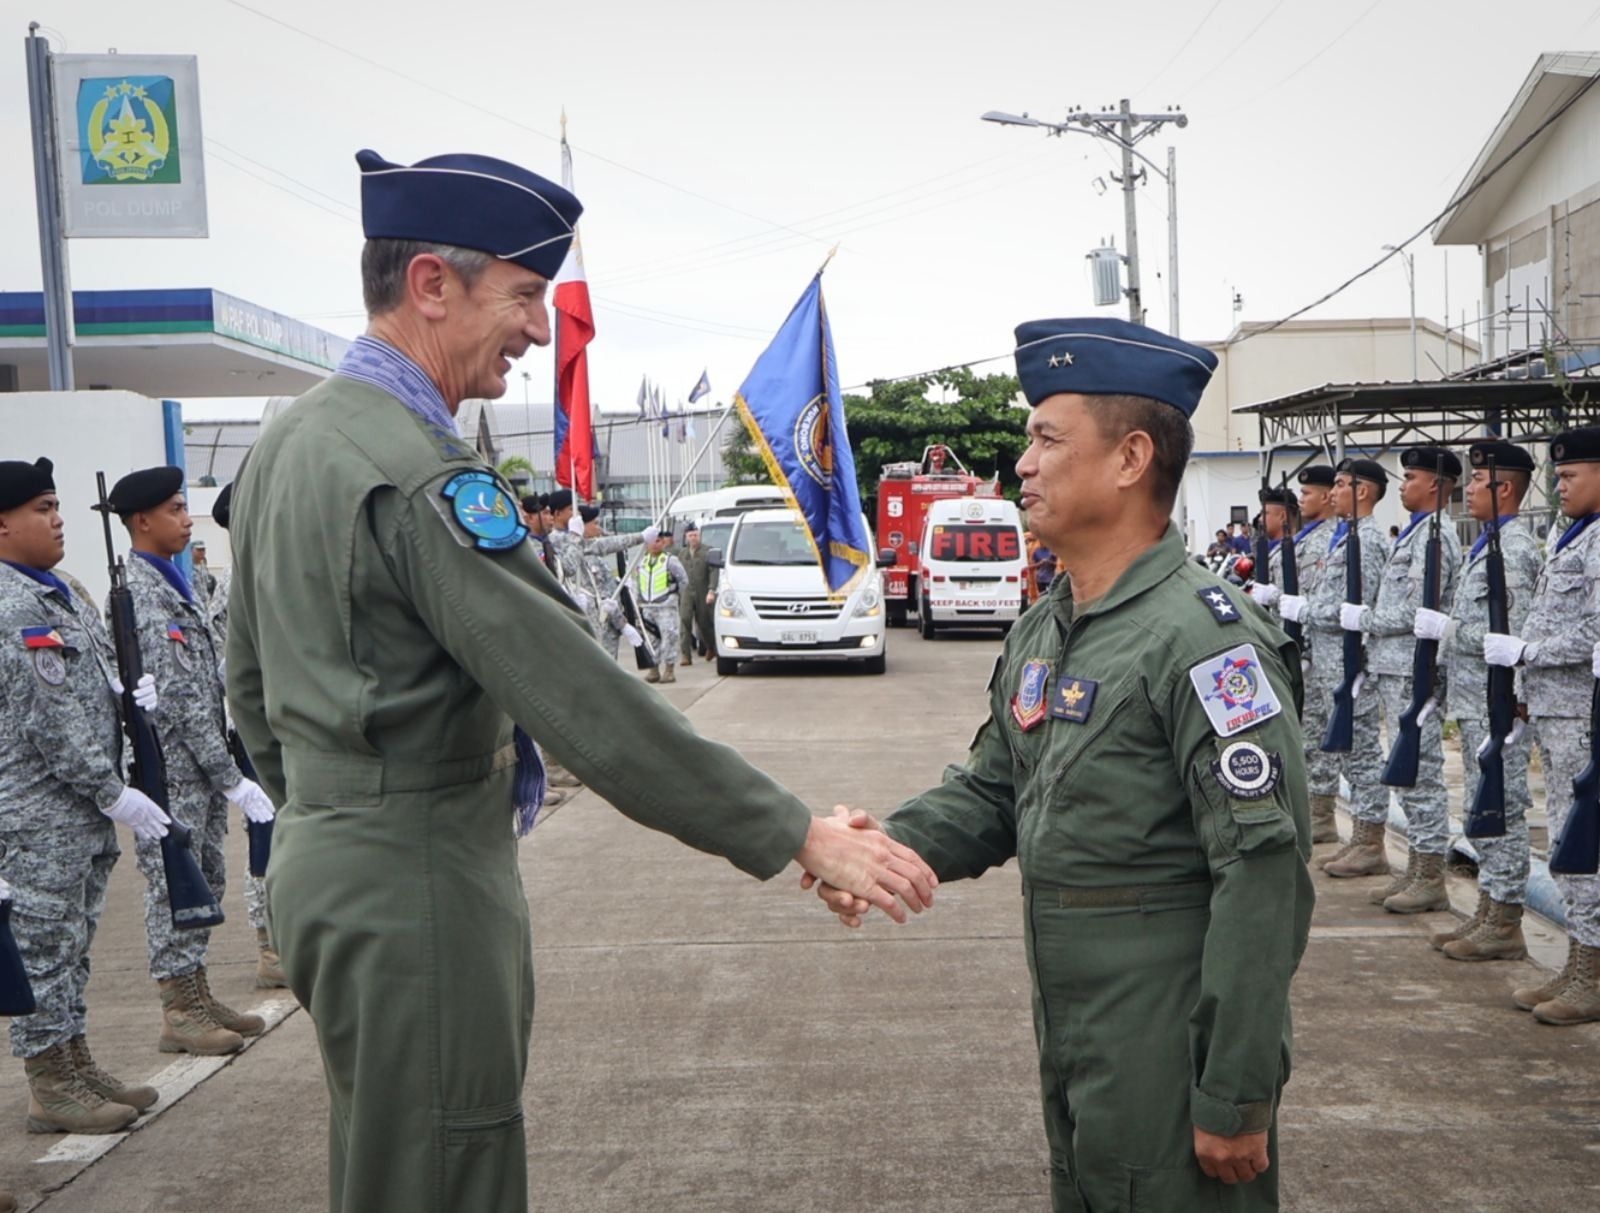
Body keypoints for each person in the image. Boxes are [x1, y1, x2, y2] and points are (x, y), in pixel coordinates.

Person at [224, 147, 936, 1213]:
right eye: (521, 295)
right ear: (431, 284)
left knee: (386, 1163)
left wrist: (340, 810)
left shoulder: (291, 444)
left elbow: (249, 684)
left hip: (331, 865)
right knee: (446, 1172)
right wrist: (799, 831)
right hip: (418, 881)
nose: (537, 326)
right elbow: (582, 699)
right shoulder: (422, 472)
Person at [810, 317, 1313, 1210]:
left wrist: (1236, 1085)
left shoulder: (1205, 641)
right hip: (1072, 1022)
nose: (1024, 464)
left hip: (1166, 1030)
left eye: (1046, 438)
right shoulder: (1049, 626)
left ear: (1129, 458)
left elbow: (1262, 870)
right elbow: (997, 787)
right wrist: (884, 848)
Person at [0, 458, 164, 1134]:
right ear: (3, 523)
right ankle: (49, 1082)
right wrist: (113, 790)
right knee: (43, 947)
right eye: (42, 507)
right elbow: (50, 721)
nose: (58, 517)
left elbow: (94, 685)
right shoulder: (14, 606)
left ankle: (73, 1058)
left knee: (73, 945)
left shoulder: (60, 590)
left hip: (76, 813)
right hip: (39, 813)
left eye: (57, 504)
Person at [109, 467, 276, 1053]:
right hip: (174, 771)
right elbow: (178, 701)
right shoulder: (141, 592)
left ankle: (197, 993)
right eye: (176, 510)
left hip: (195, 770)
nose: (186, 519)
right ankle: (178, 1010)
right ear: (142, 521)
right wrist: (230, 777)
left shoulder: (174, 581)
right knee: (173, 888)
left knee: (205, 879)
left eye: (185, 508)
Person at [1484, 427, 1600, 1024]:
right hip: (1556, 710)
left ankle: (1592, 970)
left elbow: (1592, 633)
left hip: (1583, 713)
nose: (1559, 488)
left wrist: (1528, 653)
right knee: (1563, 839)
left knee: (1585, 842)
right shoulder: (1570, 536)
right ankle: (1581, 960)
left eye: (1569, 476)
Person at [1415, 441, 1541, 961]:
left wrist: (1449, 630)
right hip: (1473, 700)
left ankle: (1506, 919)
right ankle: (1490, 909)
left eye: (1475, 481)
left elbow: (1508, 632)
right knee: (1481, 806)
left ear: (1504, 487)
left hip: (1499, 704)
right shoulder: (1486, 543)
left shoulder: (1513, 550)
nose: (1465, 489)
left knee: (1503, 807)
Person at [1342, 448, 1462, 912]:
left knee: (1422, 775)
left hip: (1416, 672)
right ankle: (1416, 868)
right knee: (1406, 777)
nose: (1403, 484)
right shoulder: (1414, 536)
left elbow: (1416, 610)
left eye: (1410, 476)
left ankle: (1430, 875)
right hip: (1394, 668)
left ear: (1434, 484)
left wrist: (1365, 617)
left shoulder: (1437, 538)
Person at [1285, 459, 1392, 878]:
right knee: (1347, 754)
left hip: (1353, 666)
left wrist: (1307, 608)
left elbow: (1357, 606)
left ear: (1362, 491)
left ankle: (1370, 844)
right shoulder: (1346, 537)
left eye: (1342, 485)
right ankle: (1360, 840)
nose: (1332, 492)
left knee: (1363, 755)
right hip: (1332, 665)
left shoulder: (1366, 541)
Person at [207, 481, 286, 989]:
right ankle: (269, 947)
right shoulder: (239, 583)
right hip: (258, 728)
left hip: (292, 722)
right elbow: (230, 670)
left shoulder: (275, 572)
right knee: (266, 834)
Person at [1271, 466, 1340, 843]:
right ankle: (1314, 810)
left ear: (1328, 496)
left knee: (1318, 739)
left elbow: (1317, 601)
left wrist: (1307, 650)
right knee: (1304, 737)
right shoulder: (1305, 538)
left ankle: (1322, 816)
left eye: (1309, 492)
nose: (1301, 499)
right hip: (1298, 651)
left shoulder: (1326, 540)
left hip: (1315, 655)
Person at [636, 525, 688, 684]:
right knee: (651, 641)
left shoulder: (670, 561)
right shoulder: (642, 562)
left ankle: (669, 670)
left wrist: (674, 598)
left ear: (663, 542)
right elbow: (638, 583)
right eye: (652, 541)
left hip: (665, 606)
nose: (655, 544)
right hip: (647, 607)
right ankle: (653, 670)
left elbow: (683, 581)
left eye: (658, 541)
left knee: (669, 638)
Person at [678, 522, 714, 662]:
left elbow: (713, 571)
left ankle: (711, 646)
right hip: (686, 592)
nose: (693, 538)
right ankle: (685, 654)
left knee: (704, 622)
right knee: (685, 620)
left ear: (699, 536)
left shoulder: (708, 551)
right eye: (690, 535)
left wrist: (712, 589)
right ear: (686, 537)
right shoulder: (682, 554)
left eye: (695, 535)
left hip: (703, 591)